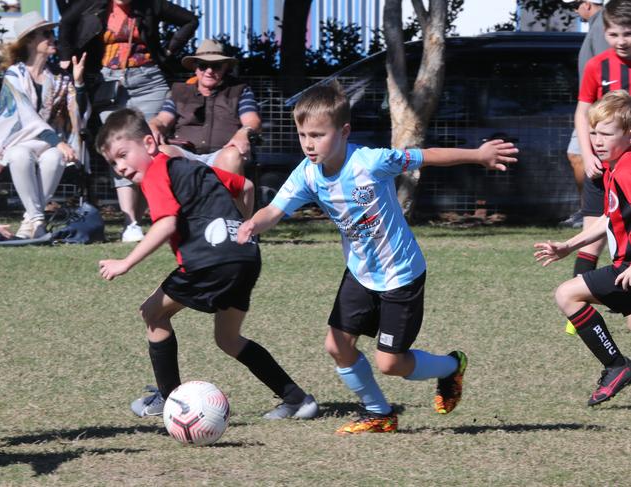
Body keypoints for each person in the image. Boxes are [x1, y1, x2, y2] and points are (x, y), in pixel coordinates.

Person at [236, 82, 518, 434]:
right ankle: (379, 413)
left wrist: (479, 155)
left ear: (344, 131)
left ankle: (450, 366)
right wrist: (252, 225)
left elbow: (426, 155)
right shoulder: (307, 174)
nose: (309, 143)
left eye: (318, 135)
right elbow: (274, 210)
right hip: (360, 272)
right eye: (303, 134)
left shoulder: (371, 162)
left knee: (391, 363)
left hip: (401, 275)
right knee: (337, 346)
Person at [95, 108, 318, 421]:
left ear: (148, 144)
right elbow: (247, 188)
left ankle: (169, 399)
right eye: (113, 163)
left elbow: (167, 223)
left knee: (152, 312)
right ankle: (297, 399)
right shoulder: (191, 167)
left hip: (209, 261)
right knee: (228, 339)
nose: (120, 167)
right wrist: (241, 228)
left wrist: (125, 262)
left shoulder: (158, 170)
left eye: (122, 155)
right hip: (245, 257)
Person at [58, 0, 199, 242]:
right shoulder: (92, 4)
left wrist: (168, 51)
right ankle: (130, 223)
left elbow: (190, 20)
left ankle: (158, 216)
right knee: (118, 149)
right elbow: (66, 22)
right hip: (109, 83)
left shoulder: (151, 5)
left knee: (150, 148)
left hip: (149, 80)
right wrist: (65, 56)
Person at [535, 90, 631, 406]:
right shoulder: (617, 166)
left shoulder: (628, 170)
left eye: (606, 133)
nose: (597, 141)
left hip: (626, 269)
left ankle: (617, 366)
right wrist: (568, 245)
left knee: (567, 294)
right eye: (593, 134)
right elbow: (610, 216)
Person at [0, 11, 89, 239]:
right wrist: (57, 141)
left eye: (53, 33)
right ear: (30, 40)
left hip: (46, 143)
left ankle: (30, 220)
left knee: (55, 157)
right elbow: (25, 115)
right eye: (46, 34)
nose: (53, 38)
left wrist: (78, 84)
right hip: (14, 140)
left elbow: (76, 115)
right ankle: (37, 219)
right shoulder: (14, 75)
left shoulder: (59, 77)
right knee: (21, 155)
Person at [568, 0, 631, 334]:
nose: (620, 40)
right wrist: (588, 150)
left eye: (627, 33)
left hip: (627, 166)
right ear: (603, 32)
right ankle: (577, 310)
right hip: (603, 163)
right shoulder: (598, 66)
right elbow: (583, 110)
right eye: (613, 33)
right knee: (594, 238)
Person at [148, 39, 262, 176]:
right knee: (162, 154)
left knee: (232, 156)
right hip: (185, 153)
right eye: (203, 65)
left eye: (216, 66)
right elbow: (162, 120)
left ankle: (230, 198)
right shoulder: (179, 92)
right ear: (195, 67)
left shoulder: (240, 91)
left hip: (223, 153)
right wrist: (154, 126)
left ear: (225, 67)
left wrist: (243, 132)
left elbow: (252, 121)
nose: (209, 71)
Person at [562, 0, 608, 229]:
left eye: (574, 5)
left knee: (581, 156)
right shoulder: (595, 24)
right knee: (576, 155)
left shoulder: (601, 25)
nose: (573, 10)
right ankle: (591, 209)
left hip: (599, 110)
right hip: (590, 108)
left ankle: (595, 208)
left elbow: (606, 67)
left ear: (587, 4)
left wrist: (601, 114)